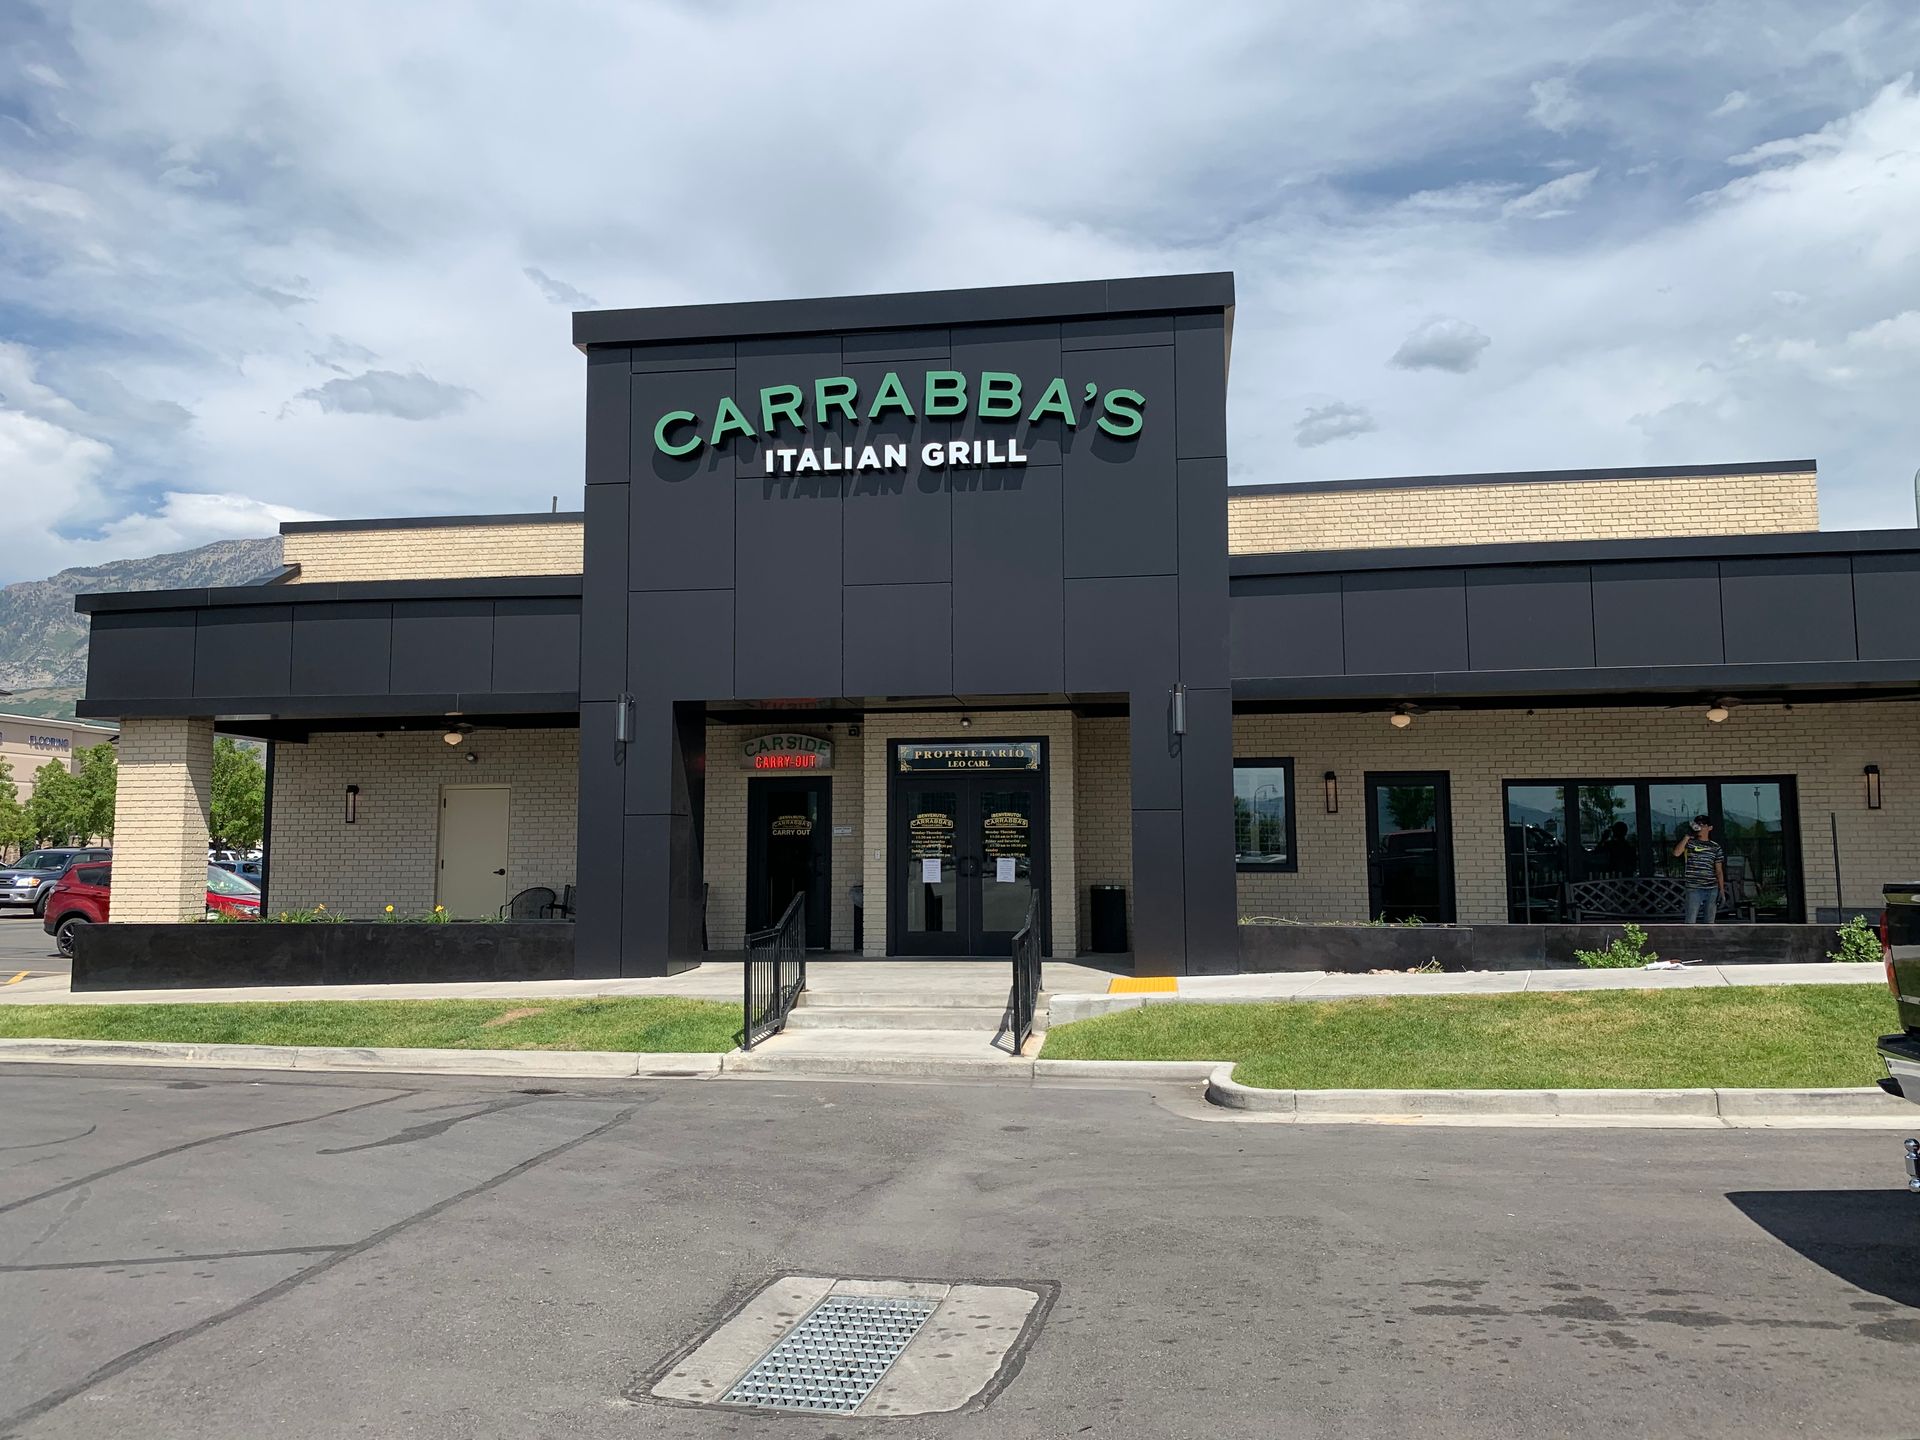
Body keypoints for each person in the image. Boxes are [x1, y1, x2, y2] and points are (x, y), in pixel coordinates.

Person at [1672, 814, 1726, 923]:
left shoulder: (1715, 847)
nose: (1700, 827)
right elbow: (1677, 853)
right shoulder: (1690, 843)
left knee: (1709, 920)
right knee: (1691, 920)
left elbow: (1719, 871)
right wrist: (1687, 836)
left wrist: (1721, 890)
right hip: (1694, 887)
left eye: (1703, 825)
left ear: (1710, 828)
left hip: (1711, 887)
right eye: (1698, 824)